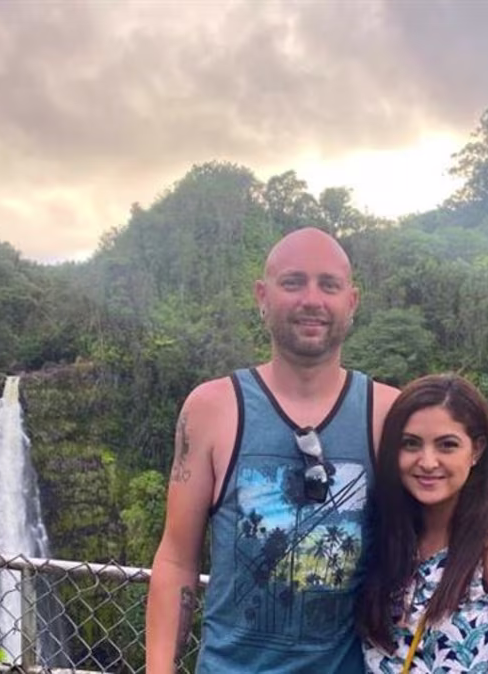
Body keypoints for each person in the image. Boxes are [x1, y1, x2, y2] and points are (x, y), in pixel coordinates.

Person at [145, 227, 400, 674]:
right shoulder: (211, 410)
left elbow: (437, 543)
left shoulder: (388, 414)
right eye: (293, 282)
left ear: (352, 302)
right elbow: (176, 557)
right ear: (262, 296)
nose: (312, 299)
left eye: (329, 285)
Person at [357, 373, 488, 673]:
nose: (428, 462)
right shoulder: (389, 538)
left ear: (477, 450)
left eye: (447, 445)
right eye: (411, 444)